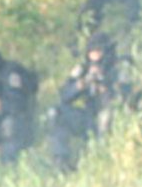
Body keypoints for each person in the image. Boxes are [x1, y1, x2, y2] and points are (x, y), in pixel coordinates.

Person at [47, 33, 135, 171]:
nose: (94, 56)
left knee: (106, 116)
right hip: (89, 119)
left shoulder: (120, 67)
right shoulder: (82, 69)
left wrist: (105, 88)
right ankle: (61, 161)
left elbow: (126, 97)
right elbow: (64, 96)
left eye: (98, 51)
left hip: (113, 119)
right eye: (91, 52)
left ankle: (102, 161)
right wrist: (79, 86)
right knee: (56, 113)